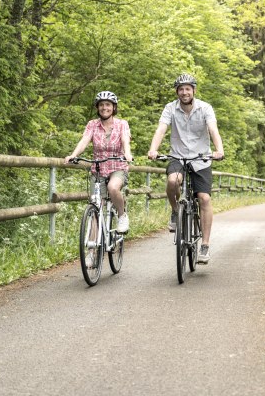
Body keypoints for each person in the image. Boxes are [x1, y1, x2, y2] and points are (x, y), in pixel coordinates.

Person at [147, 73, 224, 264]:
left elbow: (213, 129)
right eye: (181, 89)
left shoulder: (205, 108)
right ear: (177, 92)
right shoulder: (170, 108)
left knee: (204, 198)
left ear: (193, 91)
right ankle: (175, 211)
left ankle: (204, 245)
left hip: (201, 158)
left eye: (188, 89)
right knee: (173, 181)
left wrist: (219, 149)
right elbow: (161, 129)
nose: (184, 92)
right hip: (178, 156)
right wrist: (153, 149)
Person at [64, 91, 132, 234]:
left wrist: (127, 153)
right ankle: (92, 250)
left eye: (108, 105)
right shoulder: (92, 125)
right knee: (96, 205)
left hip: (117, 166)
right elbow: (84, 140)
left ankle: (122, 215)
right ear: (97, 107)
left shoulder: (121, 124)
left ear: (114, 107)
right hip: (98, 169)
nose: (104, 108)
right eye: (101, 105)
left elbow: (125, 139)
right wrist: (74, 155)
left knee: (113, 188)